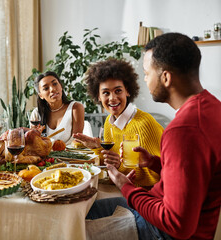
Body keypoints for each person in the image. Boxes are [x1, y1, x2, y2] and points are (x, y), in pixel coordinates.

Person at [87, 33, 221, 239]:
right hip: (158, 204)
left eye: (147, 73)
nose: (146, 79)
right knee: (87, 211)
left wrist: (126, 187)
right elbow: (193, 174)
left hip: (162, 230)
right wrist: (156, 163)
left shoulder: (182, 130)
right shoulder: (211, 107)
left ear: (166, 77)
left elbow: (177, 225)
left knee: (78, 230)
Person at [73, 59, 164, 188]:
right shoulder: (109, 122)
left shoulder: (144, 124)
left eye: (118, 91)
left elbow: (156, 176)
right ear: (98, 96)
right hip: (122, 187)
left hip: (146, 195)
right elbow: (112, 161)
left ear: (127, 91)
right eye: (106, 93)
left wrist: (120, 166)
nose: (112, 98)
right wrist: (96, 147)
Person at [30, 71, 84, 144]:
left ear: (61, 86)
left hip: (69, 154)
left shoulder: (75, 108)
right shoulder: (36, 113)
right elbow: (34, 143)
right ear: (41, 95)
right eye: (46, 88)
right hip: (45, 154)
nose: (52, 89)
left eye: (55, 84)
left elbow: (76, 141)